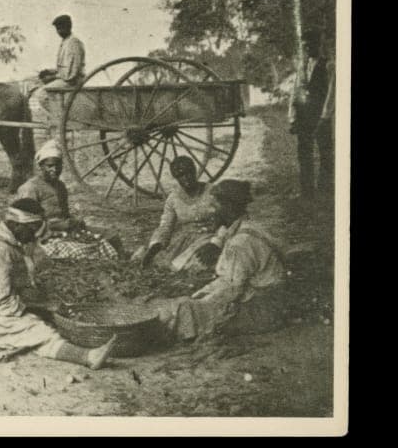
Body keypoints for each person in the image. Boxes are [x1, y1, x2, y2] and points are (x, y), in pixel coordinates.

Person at [0, 198, 117, 369]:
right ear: (16, 225)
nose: (34, 235)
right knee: (41, 331)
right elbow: (0, 298)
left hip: (10, 299)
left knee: (50, 318)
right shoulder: (0, 251)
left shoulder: (12, 242)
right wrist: (37, 307)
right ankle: (87, 357)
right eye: (32, 229)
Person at [155, 180, 288, 342]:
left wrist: (200, 304)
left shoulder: (239, 243)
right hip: (270, 301)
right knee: (187, 305)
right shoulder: (248, 226)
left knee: (185, 311)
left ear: (229, 208)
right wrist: (201, 294)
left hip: (263, 310)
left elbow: (232, 290)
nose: (211, 211)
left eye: (215, 206)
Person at [19, 139, 120, 261]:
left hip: (66, 230)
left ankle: (124, 262)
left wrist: (74, 221)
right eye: (49, 166)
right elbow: (27, 224)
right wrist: (57, 226)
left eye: (58, 165)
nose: (55, 170)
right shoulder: (30, 188)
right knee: (81, 251)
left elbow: (64, 213)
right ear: (41, 166)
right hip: (44, 237)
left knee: (112, 235)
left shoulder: (60, 186)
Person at [136, 156, 222, 271]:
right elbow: (166, 226)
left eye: (189, 173)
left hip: (211, 237)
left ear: (195, 171)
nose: (186, 178)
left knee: (201, 264)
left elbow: (228, 219)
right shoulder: (174, 198)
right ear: (175, 178)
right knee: (160, 262)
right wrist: (155, 245)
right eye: (180, 175)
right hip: (186, 241)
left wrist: (217, 241)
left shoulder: (213, 192)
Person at [288, 27, 335, 197]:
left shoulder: (329, 65)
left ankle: (325, 190)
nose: (308, 49)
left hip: (319, 116)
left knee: (325, 153)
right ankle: (307, 192)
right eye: (305, 46)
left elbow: (332, 92)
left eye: (311, 45)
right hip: (303, 116)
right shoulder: (302, 66)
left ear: (319, 45)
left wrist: (325, 116)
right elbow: (295, 91)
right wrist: (292, 116)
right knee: (304, 153)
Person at [38, 14, 86, 89]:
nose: (59, 31)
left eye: (61, 28)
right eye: (57, 29)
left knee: (41, 93)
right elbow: (64, 68)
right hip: (65, 79)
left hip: (72, 83)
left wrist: (53, 77)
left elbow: (71, 74)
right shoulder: (65, 41)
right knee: (31, 83)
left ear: (68, 27)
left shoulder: (74, 43)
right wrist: (49, 71)